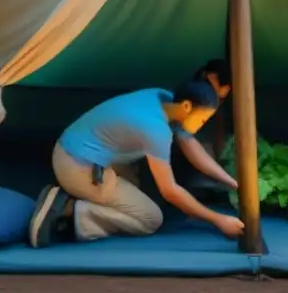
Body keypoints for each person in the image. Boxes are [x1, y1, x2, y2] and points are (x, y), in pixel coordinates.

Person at [29, 80, 244, 248]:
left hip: (76, 149)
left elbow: (190, 144)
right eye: (203, 119)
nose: (201, 125)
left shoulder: (163, 98)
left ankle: (83, 193)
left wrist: (233, 183)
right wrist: (218, 220)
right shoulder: (155, 129)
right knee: (150, 218)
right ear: (187, 106)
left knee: (138, 185)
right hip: (77, 167)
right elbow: (170, 191)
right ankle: (69, 208)